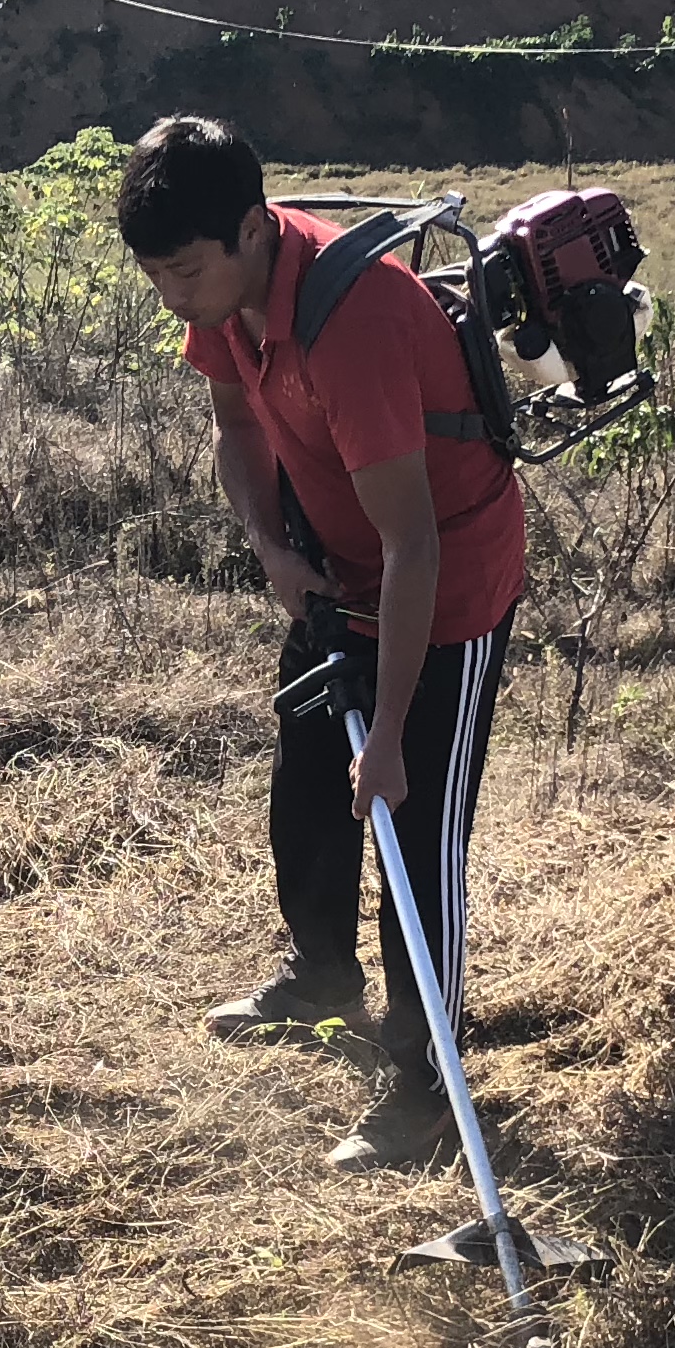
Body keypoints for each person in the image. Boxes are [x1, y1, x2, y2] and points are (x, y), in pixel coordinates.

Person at [116, 114, 525, 1172]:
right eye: (156, 277)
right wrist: (270, 547)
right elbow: (236, 429)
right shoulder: (231, 302)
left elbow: (414, 547)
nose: (174, 298)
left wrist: (386, 735)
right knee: (306, 785)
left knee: (413, 833)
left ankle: (426, 1090)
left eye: (187, 272)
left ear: (253, 230)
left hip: (442, 587)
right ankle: (321, 980)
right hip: (335, 574)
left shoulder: (355, 323)